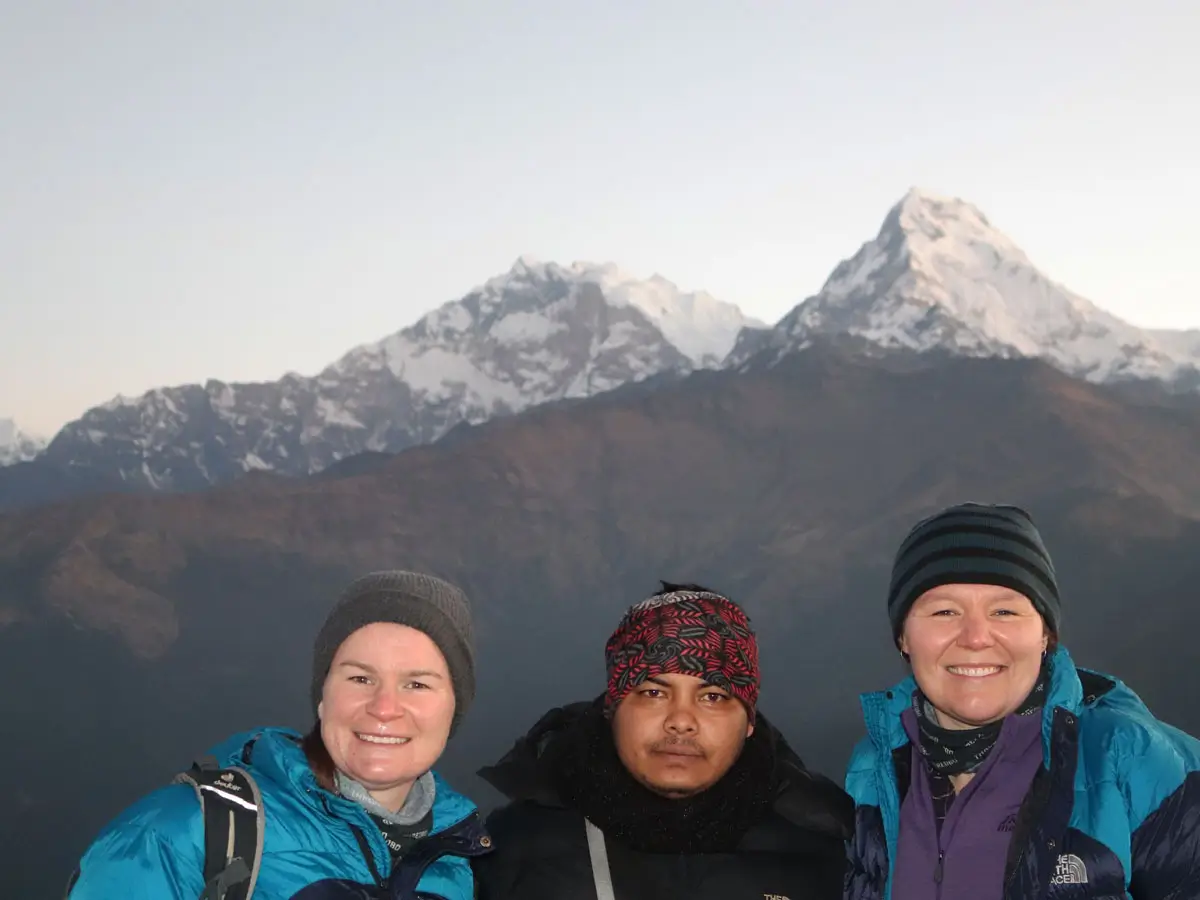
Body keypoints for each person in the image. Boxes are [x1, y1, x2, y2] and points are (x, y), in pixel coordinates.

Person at [844, 502, 1200, 900]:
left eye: (1004, 611)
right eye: (944, 611)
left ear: (1044, 634)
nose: (976, 637)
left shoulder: (1132, 759)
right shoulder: (873, 772)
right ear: (904, 638)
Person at [67, 570, 492, 899]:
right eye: (360, 678)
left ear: (455, 707)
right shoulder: (181, 835)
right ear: (322, 696)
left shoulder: (457, 860)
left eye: (417, 684)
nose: (384, 708)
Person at [472, 581, 853, 900]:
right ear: (613, 706)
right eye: (653, 693)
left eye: (713, 697)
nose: (681, 722)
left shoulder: (826, 848)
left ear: (749, 720)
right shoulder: (513, 849)